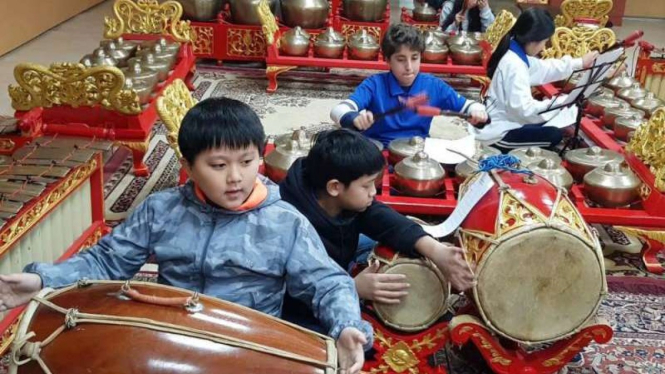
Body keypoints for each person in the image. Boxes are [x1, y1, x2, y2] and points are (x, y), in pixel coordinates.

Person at [0, 98, 372, 374]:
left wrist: (347, 327)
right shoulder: (161, 210)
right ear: (188, 167)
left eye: (247, 161)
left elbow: (328, 283)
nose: (235, 178)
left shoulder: (284, 222)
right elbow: (105, 261)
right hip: (170, 336)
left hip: (249, 344)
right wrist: (40, 279)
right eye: (218, 165)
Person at [279, 129, 475, 332]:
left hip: (339, 263)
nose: (374, 191)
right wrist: (352, 287)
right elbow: (288, 290)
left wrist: (435, 250)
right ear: (335, 187)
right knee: (358, 341)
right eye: (366, 186)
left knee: (393, 240)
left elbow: (380, 217)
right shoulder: (289, 223)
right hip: (296, 308)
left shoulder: (338, 199)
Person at [330, 23, 488, 146]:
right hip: (377, 151)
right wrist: (354, 118)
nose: (409, 67)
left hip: (417, 151)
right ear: (387, 60)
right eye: (400, 59)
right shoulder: (374, 85)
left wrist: (477, 112)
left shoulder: (434, 86)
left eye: (414, 58)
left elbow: (468, 106)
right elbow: (338, 110)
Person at [473, 8, 599, 153]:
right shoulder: (514, 65)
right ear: (532, 41)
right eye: (544, 42)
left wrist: (580, 63)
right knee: (555, 135)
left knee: (553, 120)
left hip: (506, 120)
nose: (544, 47)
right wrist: (562, 102)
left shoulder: (514, 52)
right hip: (498, 133)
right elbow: (526, 112)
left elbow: (544, 68)